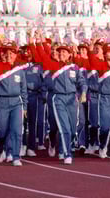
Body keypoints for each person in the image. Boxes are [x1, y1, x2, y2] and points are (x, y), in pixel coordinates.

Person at [30, 32, 87, 165]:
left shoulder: (74, 67)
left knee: (73, 129)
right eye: (60, 52)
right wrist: (38, 41)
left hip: (72, 99)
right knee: (64, 128)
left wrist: (83, 92)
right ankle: (67, 153)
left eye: (64, 52)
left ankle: (66, 146)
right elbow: (42, 55)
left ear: (69, 55)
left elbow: (82, 82)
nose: (61, 54)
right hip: (58, 99)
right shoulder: (52, 65)